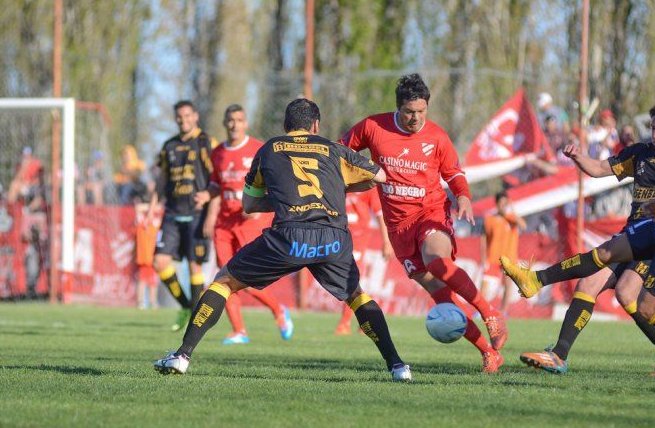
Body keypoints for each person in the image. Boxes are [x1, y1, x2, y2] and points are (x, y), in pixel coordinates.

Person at [154, 98, 412, 381]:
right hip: (333, 238)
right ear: (316, 125)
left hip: (290, 236)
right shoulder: (334, 149)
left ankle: (182, 355)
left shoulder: (269, 149)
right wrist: (341, 189)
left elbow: (249, 206)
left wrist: (280, 201)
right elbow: (381, 176)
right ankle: (398, 366)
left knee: (224, 282)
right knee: (357, 296)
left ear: (285, 125)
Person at [501, 102, 655, 375]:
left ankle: (537, 280)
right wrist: (578, 157)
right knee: (591, 283)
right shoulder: (641, 153)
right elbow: (600, 168)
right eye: (653, 128)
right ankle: (559, 355)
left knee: (628, 293)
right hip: (634, 233)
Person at [341, 73, 506, 373]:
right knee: (443, 300)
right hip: (398, 229)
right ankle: (488, 352)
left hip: (430, 212)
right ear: (398, 107)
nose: (416, 118)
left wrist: (464, 197)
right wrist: (353, 176)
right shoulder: (373, 127)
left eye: (421, 111)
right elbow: (342, 151)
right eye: (409, 112)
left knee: (437, 261)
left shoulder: (437, 137)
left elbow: (454, 174)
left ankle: (490, 312)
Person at [195, 104, 294, 344]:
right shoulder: (218, 153)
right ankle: (239, 330)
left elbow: (273, 181)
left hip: (249, 221)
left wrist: (259, 205)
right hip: (224, 223)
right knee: (223, 278)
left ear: (245, 123)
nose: (234, 124)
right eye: (230, 120)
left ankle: (278, 310)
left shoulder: (257, 148)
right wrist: (206, 196)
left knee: (247, 278)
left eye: (239, 120)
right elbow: (216, 184)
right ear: (225, 122)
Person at [147, 100, 218, 331]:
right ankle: (188, 307)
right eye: (179, 116)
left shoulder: (207, 142)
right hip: (172, 213)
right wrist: (151, 207)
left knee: (194, 267)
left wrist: (209, 207)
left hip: (197, 214)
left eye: (187, 115)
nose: (183, 120)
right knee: (159, 261)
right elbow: (161, 180)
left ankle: (193, 317)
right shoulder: (168, 146)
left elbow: (217, 180)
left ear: (195, 116)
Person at [334, 187, 393, 335]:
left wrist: (386, 241)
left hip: (359, 237)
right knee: (343, 279)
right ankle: (369, 316)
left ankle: (344, 324)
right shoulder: (338, 178)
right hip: (339, 236)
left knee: (349, 279)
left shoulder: (367, 182)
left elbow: (380, 214)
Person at [480, 191, 526, 315]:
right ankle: (481, 312)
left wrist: (511, 209)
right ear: (496, 204)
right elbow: (484, 238)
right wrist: (483, 257)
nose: (503, 206)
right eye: (501, 203)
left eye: (506, 203)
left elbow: (523, 225)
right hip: (493, 257)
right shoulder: (489, 219)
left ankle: (503, 312)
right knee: (484, 286)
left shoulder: (511, 219)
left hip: (509, 258)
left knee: (507, 285)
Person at [136, 202, 161, 309]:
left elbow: (161, 208)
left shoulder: (155, 223)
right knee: (143, 280)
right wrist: (151, 206)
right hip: (144, 257)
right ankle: (141, 302)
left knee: (153, 281)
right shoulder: (141, 221)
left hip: (153, 257)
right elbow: (138, 207)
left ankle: (152, 301)